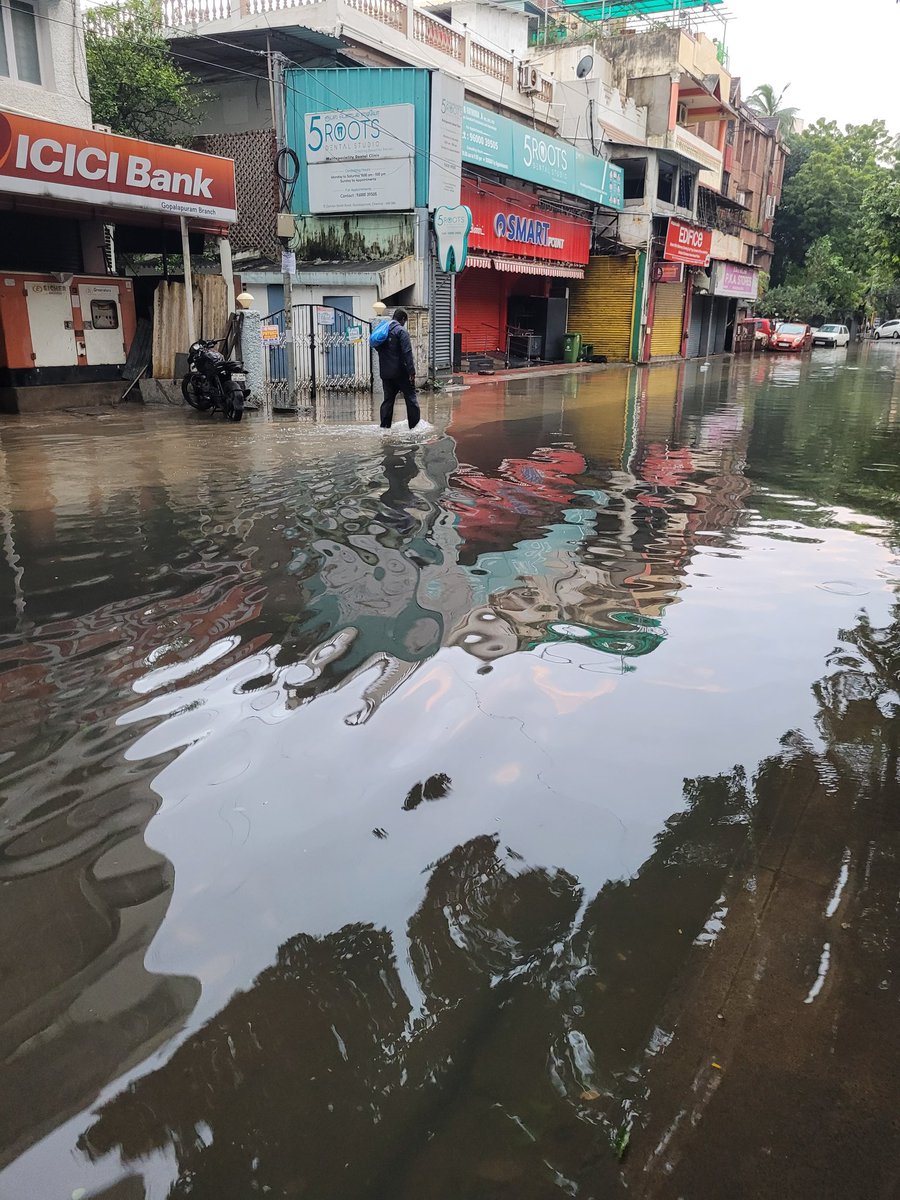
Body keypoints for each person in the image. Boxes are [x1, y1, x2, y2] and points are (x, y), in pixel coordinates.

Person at [375, 308, 420, 430]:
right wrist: (412, 372)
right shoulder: (401, 331)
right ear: (403, 319)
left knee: (388, 400)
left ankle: (384, 428)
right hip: (401, 373)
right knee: (411, 399)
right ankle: (414, 428)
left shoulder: (384, 330)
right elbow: (407, 352)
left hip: (386, 374)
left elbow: (378, 348)